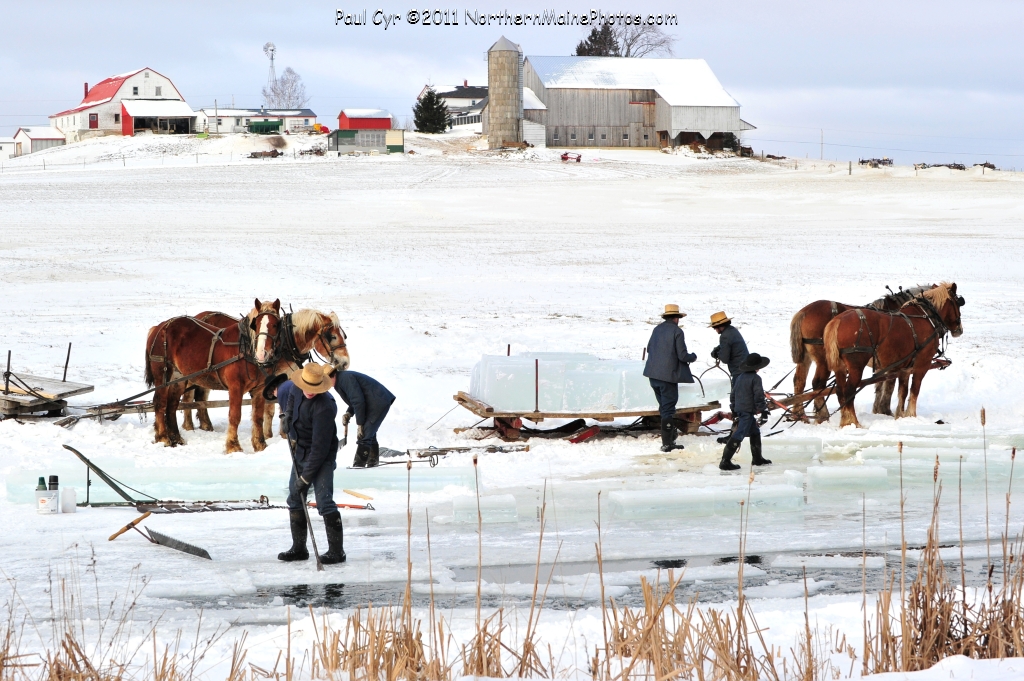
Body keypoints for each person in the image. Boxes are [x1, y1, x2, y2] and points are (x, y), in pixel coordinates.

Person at [277, 363, 346, 565]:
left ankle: (337, 552)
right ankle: (299, 549)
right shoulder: (297, 387)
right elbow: (291, 399)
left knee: (324, 501)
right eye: (306, 387)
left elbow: (319, 449)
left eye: (313, 389)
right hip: (300, 450)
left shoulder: (325, 407)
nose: (308, 392)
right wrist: (287, 416)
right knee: (294, 498)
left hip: (321, 456)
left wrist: (305, 478)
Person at [643, 304, 697, 452]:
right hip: (667, 377)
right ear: (676, 318)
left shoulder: (657, 329)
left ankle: (671, 434)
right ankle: (667, 443)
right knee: (668, 409)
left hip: (652, 375)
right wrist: (693, 357)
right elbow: (682, 355)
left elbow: (649, 349)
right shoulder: (677, 331)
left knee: (664, 407)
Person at [720, 353, 773, 471]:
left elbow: (733, 395)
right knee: (739, 434)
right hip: (747, 412)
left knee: (755, 432)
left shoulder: (740, 377)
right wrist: (763, 410)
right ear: (757, 367)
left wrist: (733, 408)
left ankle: (757, 458)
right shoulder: (756, 378)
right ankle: (725, 461)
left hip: (741, 410)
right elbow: (758, 396)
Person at [333, 370, 396, 468]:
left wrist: (360, 424)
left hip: (377, 402)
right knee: (370, 433)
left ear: (330, 377)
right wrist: (349, 413)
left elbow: (358, 401)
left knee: (365, 435)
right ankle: (373, 461)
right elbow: (355, 400)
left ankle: (359, 465)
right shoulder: (340, 380)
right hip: (373, 401)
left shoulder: (345, 379)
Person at [709, 311, 749, 381]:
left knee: (737, 391)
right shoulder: (732, 330)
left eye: (714, 328)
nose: (715, 330)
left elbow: (725, 359)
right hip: (746, 368)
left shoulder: (724, 336)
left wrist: (717, 354)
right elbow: (729, 343)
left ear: (719, 327)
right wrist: (718, 348)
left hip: (738, 371)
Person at [263, 373, 300, 438]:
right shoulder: (289, 384)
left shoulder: (282, 392)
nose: (275, 396)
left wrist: (293, 437)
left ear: (272, 390)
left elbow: (288, 415)